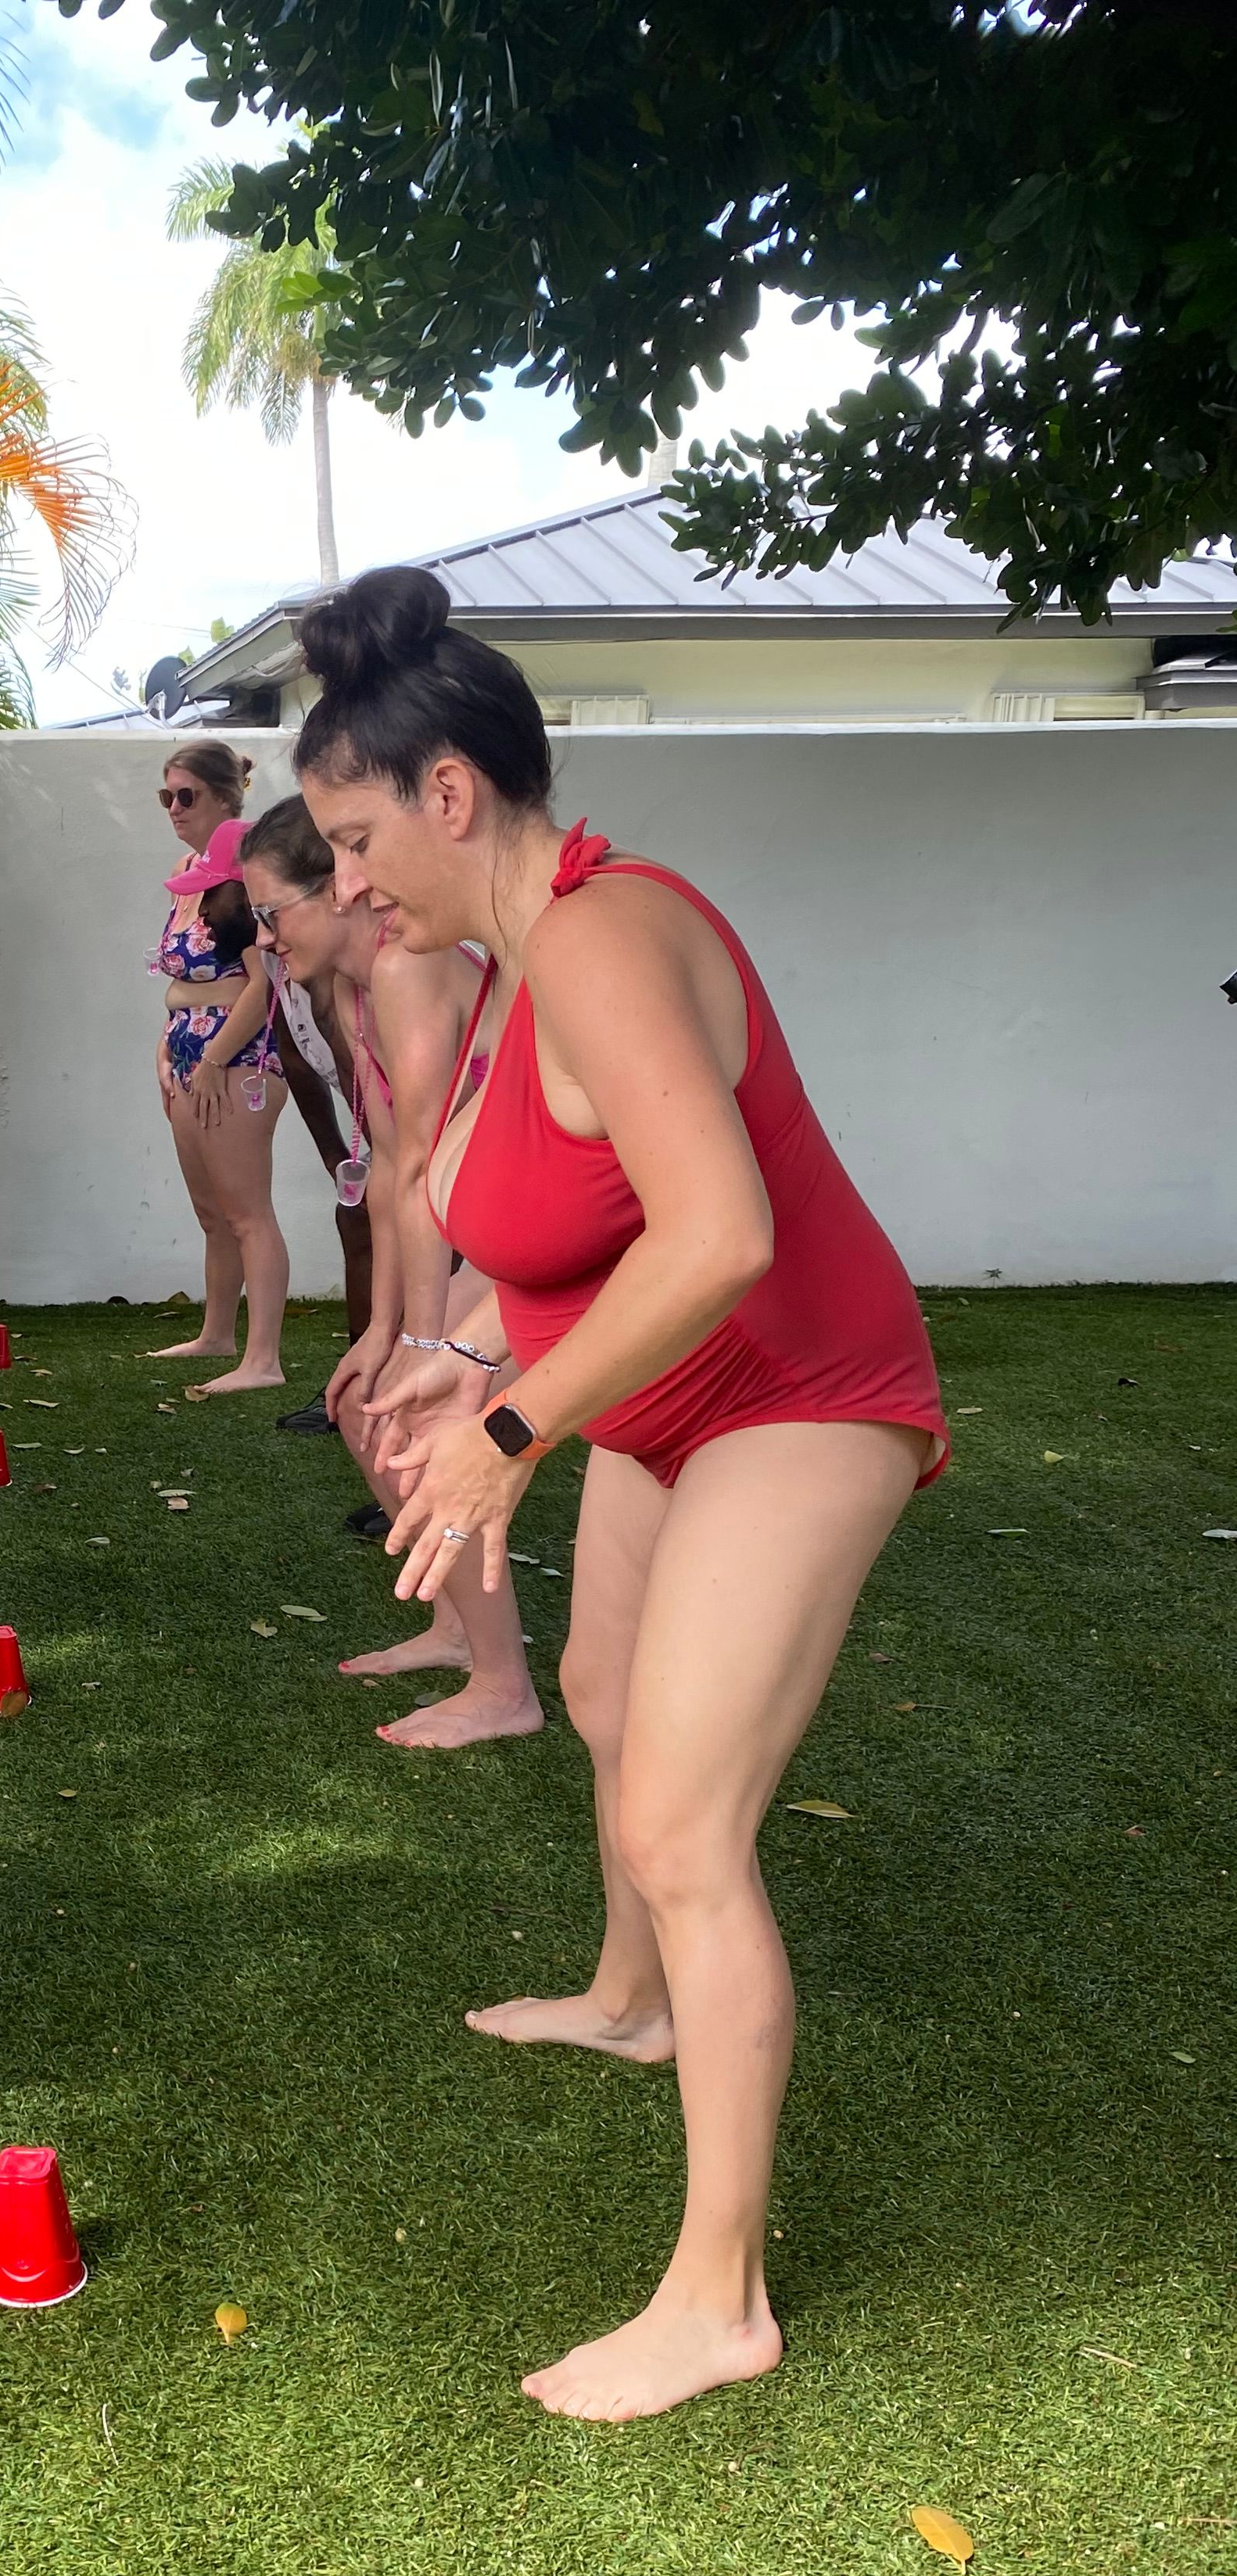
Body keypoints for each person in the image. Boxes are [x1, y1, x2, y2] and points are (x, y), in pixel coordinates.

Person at [296, 566, 948, 2424]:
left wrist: (512, 1438)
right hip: (678, 1402)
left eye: (353, 841)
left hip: (807, 1389)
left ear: (447, 795)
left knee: (685, 1821)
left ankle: (719, 2298)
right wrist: (482, 1363)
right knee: (593, 1700)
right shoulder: (517, 970)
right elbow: (581, 1236)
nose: (347, 885)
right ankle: (630, 1999)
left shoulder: (603, 935)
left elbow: (723, 1231)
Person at [239, 795, 540, 1753]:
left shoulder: (410, 968)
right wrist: (381, 1335)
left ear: (337, 895)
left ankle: (504, 1687)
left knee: (417, 1415)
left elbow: (418, 1176)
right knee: (366, 1403)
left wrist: (423, 1343)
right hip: (504, 1258)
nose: (265, 936)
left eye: (274, 912)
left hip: (569, 1261)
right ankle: (461, 1630)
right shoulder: (352, 990)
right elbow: (380, 1178)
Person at [139, 744, 289, 1397]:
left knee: (248, 1211)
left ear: (227, 797)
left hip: (241, 1057)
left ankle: (264, 1360)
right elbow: (178, 979)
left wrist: (216, 1057)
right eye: (166, 796)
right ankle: (217, 1335)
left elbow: (263, 983)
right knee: (212, 1212)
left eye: (187, 795)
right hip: (188, 1054)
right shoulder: (186, 872)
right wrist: (167, 1051)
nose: (174, 808)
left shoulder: (250, 875)